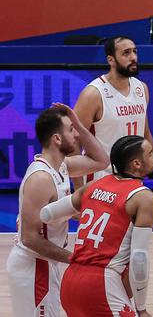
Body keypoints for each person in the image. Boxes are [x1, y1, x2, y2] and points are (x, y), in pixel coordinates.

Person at [6, 104, 108, 317]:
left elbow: (101, 161)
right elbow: (29, 238)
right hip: (33, 265)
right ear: (57, 139)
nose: (76, 134)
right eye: (71, 129)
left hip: (45, 262)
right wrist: (74, 258)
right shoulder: (41, 178)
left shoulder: (62, 166)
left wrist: (78, 121)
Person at [50, 136, 153, 317]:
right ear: (136, 164)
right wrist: (141, 308)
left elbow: (48, 214)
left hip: (70, 281)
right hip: (101, 283)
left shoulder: (94, 185)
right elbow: (139, 260)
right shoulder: (144, 198)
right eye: (150, 154)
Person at [71, 35, 153, 205]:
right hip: (100, 180)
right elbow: (73, 142)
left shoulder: (141, 88)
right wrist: (79, 192)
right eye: (126, 53)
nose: (133, 57)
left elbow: (146, 134)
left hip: (132, 179)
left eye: (134, 52)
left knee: (134, 229)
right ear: (111, 59)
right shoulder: (93, 94)